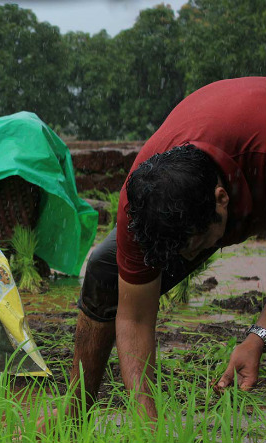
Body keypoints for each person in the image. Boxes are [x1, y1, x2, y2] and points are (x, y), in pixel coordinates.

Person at [39, 77, 266, 428]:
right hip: (216, 155)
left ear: (223, 200)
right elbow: (134, 318)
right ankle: (73, 414)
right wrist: (149, 427)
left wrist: (257, 336)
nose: (190, 260)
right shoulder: (142, 199)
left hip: (254, 151)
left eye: (197, 245)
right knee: (104, 269)